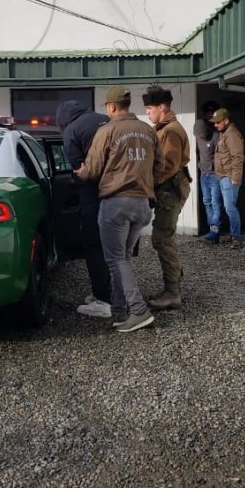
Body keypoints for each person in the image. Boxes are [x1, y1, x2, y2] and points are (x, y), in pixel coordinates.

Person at [75, 87, 162, 333]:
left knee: (114, 260)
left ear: (112, 106)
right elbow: (160, 165)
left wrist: (81, 172)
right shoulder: (148, 130)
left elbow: (92, 169)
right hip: (142, 205)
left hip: (116, 205)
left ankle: (139, 310)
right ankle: (119, 311)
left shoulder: (107, 131)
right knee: (123, 258)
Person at [56, 100, 112, 318]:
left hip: (94, 193)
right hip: (121, 190)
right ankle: (118, 295)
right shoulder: (106, 120)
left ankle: (103, 299)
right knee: (117, 248)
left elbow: (78, 169)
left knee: (93, 245)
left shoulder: (71, 130)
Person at [143, 85, 191, 310]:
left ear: (162, 107)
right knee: (164, 237)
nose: (147, 112)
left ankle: (173, 292)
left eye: (149, 108)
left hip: (170, 190)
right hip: (170, 189)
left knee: (162, 238)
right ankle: (173, 287)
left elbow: (168, 166)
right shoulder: (165, 128)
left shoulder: (170, 131)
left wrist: (148, 184)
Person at [211, 107, 245, 248]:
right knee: (228, 207)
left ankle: (236, 238)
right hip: (223, 176)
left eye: (218, 122)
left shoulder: (232, 134)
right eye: (215, 122)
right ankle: (233, 235)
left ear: (226, 120)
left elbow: (238, 157)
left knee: (230, 208)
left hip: (229, 177)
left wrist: (235, 178)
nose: (215, 125)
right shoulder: (225, 133)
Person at [194, 101, 221, 244]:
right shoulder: (201, 125)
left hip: (215, 173)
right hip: (204, 173)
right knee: (207, 202)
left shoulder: (217, 130)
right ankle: (212, 230)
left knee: (215, 202)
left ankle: (215, 231)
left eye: (212, 112)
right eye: (208, 112)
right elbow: (202, 138)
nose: (210, 115)